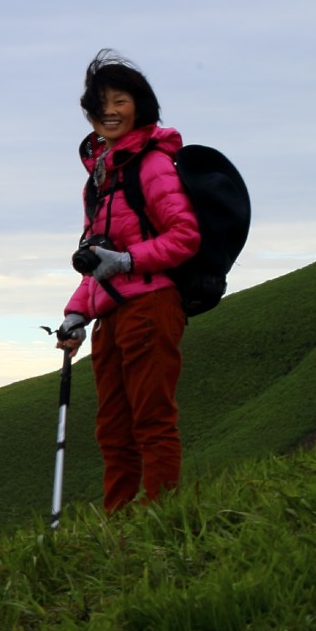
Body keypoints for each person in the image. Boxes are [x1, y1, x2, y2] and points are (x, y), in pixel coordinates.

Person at [55, 50, 200, 512]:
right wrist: (76, 313)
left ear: (140, 105)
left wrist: (126, 261)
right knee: (112, 428)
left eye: (120, 100)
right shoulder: (100, 179)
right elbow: (96, 254)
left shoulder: (152, 163)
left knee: (151, 418)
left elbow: (184, 237)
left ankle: (162, 514)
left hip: (152, 304)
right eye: (100, 104)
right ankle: (117, 522)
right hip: (111, 315)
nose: (110, 111)